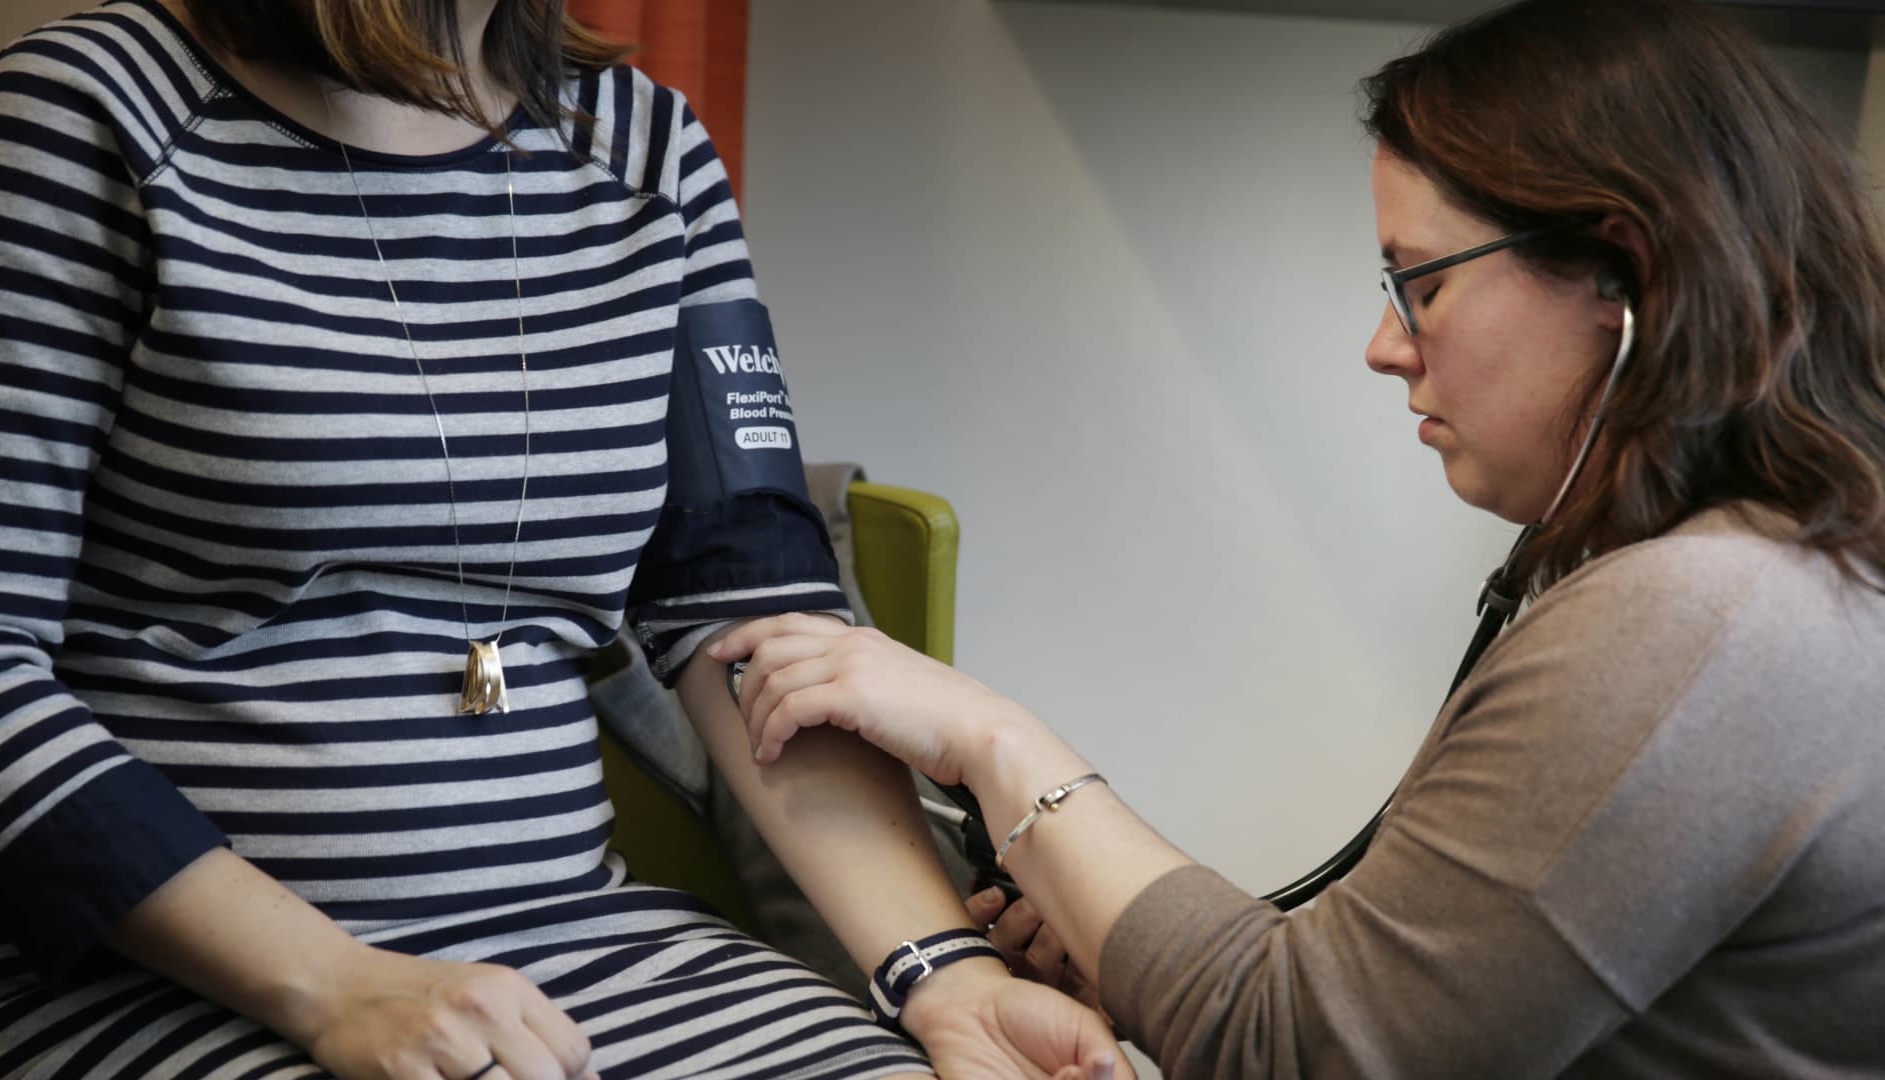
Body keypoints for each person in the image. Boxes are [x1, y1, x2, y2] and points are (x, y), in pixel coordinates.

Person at [712, 0, 1885, 1075]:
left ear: (1621, 275)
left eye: (1422, 283)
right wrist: (1139, 960)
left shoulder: (1694, 626)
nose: (1386, 345)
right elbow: (1393, 1001)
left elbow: (1304, 1053)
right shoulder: (1785, 584)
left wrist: (993, 740)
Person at [0, 2, 1129, 1078]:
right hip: (162, 975)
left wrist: (947, 976)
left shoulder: (650, 152)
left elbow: (760, 629)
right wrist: (334, 984)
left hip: (579, 948)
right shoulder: (89, 111)